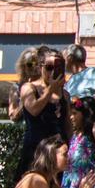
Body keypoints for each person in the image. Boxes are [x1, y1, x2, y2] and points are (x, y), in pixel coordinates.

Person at [17, 47, 71, 177]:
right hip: (36, 149)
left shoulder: (65, 94)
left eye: (57, 67)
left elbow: (67, 123)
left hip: (57, 152)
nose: (52, 72)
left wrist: (70, 146)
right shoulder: (29, 88)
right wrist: (50, 90)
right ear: (41, 67)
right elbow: (34, 109)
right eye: (49, 67)